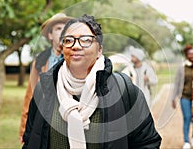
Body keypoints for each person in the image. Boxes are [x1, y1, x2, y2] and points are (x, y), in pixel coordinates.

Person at [22, 14, 162, 149]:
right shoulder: (45, 89)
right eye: (69, 40)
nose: (76, 46)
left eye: (86, 40)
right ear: (63, 47)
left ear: (99, 49)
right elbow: (30, 140)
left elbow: (147, 142)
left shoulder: (124, 90)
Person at [19, 13, 71, 142]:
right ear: (50, 35)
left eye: (66, 29)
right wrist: (24, 128)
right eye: (59, 29)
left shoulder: (76, 59)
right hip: (43, 120)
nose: (63, 32)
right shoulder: (40, 62)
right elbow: (30, 96)